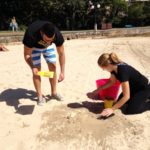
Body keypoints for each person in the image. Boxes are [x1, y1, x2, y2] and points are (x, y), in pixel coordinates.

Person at [87, 52, 150, 116]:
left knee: (131, 110)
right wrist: (98, 89)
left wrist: (112, 109)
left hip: (142, 89)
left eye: (103, 68)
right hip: (132, 88)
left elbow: (126, 96)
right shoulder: (113, 68)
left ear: (109, 65)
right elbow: (112, 82)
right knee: (119, 103)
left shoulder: (122, 72)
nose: (103, 70)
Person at [23, 20, 65, 105]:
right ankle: (39, 96)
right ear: (41, 33)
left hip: (47, 48)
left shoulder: (57, 35)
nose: (49, 42)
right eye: (47, 39)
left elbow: (61, 54)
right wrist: (32, 67)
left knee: (53, 68)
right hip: (34, 48)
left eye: (51, 40)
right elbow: (27, 54)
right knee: (37, 71)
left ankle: (54, 93)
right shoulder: (31, 33)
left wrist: (62, 72)